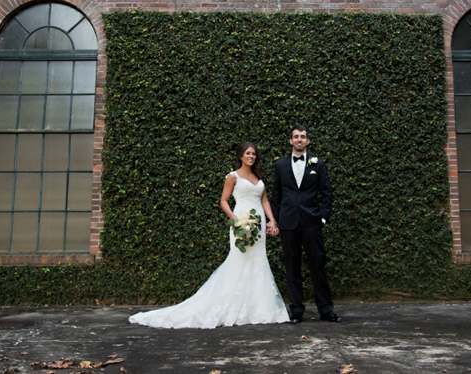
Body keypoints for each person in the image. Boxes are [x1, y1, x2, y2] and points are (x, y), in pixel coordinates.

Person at [129, 142, 289, 328]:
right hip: (241, 221)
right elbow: (223, 200)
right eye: (248, 153)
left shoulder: (258, 176)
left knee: (258, 260)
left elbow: (265, 200)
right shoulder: (232, 176)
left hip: (258, 224)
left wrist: (272, 220)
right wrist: (235, 220)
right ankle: (231, 304)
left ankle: (257, 307)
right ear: (240, 156)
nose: (251, 156)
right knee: (239, 259)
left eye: (254, 153)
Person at [271, 125, 342, 324]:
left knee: (317, 265)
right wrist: (275, 220)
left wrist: (323, 217)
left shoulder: (317, 164)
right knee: (292, 266)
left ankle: (326, 310)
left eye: (303, 137)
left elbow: (327, 192)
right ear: (291, 141)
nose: (300, 140)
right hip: (288, 222)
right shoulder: (280, 165)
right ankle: (296, 311)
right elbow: (276, 195)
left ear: (308, 141)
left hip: (312, 222)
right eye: (296, 137)